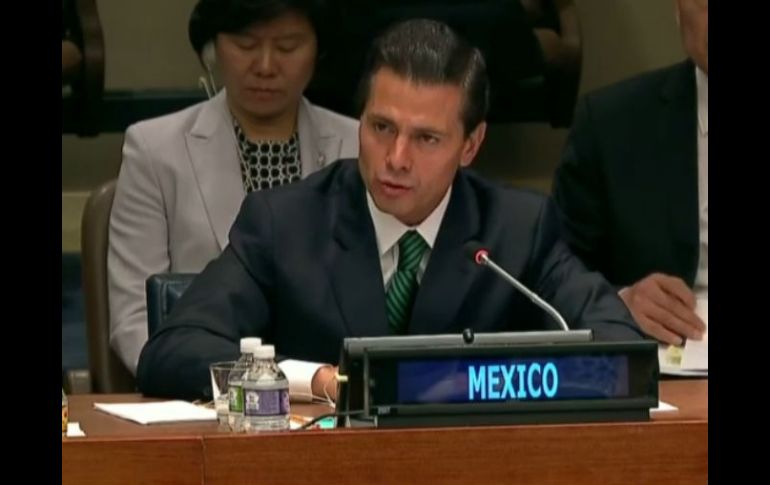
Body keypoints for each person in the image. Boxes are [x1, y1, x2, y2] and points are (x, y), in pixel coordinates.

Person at [137, 18, 643, 401]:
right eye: (381, 128)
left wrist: (482, 382)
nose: (396, 159)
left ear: (470, 145)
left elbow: (619, 346)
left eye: (426, 138)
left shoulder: (516, 229)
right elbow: (173, 350)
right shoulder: (286, 223)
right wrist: (315, 380)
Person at [108, 0, 359, 374]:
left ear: (318, 50)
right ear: (213, 49)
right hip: (200, 389)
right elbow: (135, 320)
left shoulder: (360, 146)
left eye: (287, 47)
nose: (265, 66)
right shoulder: (154, 150)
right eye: (245, 45)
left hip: (332, 390)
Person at [552, 0, 707, 346]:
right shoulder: (610, 125)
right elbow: (553, 273)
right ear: (678, 8)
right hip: (667, 359)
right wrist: (619, 302)